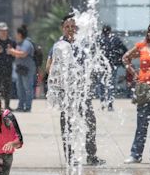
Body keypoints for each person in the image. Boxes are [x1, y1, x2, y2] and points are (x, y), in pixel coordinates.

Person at [47, 14, 106, 166]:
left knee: (90, 122)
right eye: (67, 27)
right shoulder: (58, 45)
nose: (70, 29)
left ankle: (91, 155)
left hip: (82, 92)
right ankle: (70, 158)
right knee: (67, 125)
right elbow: (49, 66)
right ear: (63, 28)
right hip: (66, 93)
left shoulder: (83, 45)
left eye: (73, 27)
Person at [123, 22, 150, 164]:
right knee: (142, 122)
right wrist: (134, 73)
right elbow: (125, 58)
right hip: (144, 88)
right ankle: (135, 154)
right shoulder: (141, 46)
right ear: (148, 33)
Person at [97, 25, 127, 111]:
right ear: (110, 31)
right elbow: (124, 49)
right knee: (111, 84)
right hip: (112, 64)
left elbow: (93, 51)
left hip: (101, 65)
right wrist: (121, 58)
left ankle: (103, 102)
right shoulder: (115, 39)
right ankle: (110, 104)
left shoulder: (99, 39)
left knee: (101, 84)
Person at [7, 25, 35, 112]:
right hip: (20, 69)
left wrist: (11, 51)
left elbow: (23, 53)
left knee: (27, 88)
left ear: (19, 34)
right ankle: (21, 106)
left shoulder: (26, 43)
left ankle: (28, 107)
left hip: (27, 69)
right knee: (20, 88)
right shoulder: (20, 43)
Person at [0, 22, 17, 111]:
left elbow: (15, 54)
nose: (4, 32)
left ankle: (7, 105)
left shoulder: (11, 42)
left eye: (5, 30)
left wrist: (11, 52)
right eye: (2, 31)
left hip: (8, 67)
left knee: (7, 87)